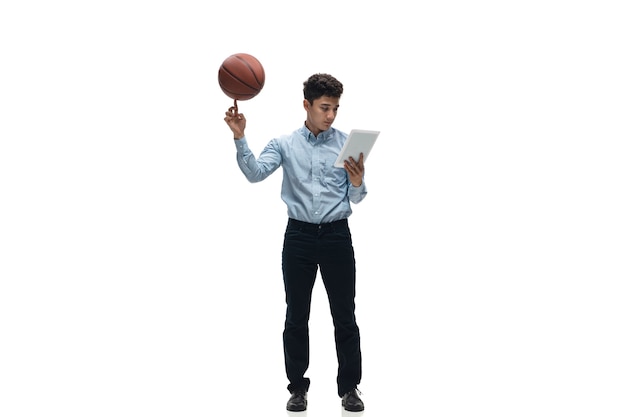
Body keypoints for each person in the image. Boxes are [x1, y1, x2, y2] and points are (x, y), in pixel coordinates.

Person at [223, 73, 367, 412]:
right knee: (296, 316)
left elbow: (358, 198)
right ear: (307, 105)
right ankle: (298, 388)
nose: (331, 115)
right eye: (324, 107)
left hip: (336, 236)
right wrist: (241, 138)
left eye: (335, 108)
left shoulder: (349, 143)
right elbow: (255, 173)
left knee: (344, 315)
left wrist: (358, 182)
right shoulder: (285, 144)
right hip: (299, 237)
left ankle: (350, 388)